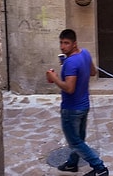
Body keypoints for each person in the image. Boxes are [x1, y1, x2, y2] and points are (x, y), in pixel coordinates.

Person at [46, 29, 109, 176]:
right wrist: (75, 69)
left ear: (74, 44)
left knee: (74, 141)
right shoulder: (85, 53)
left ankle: (100, 168)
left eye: (66, 43)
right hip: (84, 105)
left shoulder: (70, 63)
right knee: (79, 138)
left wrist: (54, 77)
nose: (62, 47)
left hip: (71, 109)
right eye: (61, 43)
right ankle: (72, 163)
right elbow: (93, 72)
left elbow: (69, 88)